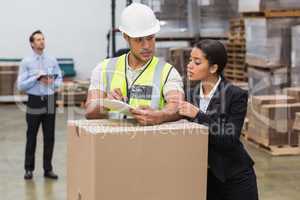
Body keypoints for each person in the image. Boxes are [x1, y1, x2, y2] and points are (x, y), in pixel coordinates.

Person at [173, 40, 258, 200]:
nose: (190, 65)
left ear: (213, 68)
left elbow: (229, 139)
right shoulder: (189, 94)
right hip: (204, 178)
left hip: (234, 177)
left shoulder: (235, 95)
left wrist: (198, 115)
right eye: (190, 60)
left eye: (197, 62)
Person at [85, 3, 184, 125]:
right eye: (139, 40)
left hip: (151, 141)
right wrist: (105, 103)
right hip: (112, 141)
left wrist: (160, 116)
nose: (147, 46)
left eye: (150, 38)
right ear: (126, 37)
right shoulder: (104, 69)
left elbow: (177, 105)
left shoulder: (167, 72)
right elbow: (89, 111)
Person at [17, 30, 62, 180]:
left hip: (49, 100)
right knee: (32, 135)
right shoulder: (26, 62)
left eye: (43, 39)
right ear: (32, 43)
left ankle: (48, 169)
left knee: (49, 136)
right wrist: (36, 79)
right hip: (34, 100)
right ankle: (28, 169)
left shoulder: (52, 60)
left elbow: (59, 79)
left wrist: (52, 83)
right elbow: (21, 86)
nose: (41, 42)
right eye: (38, 40)